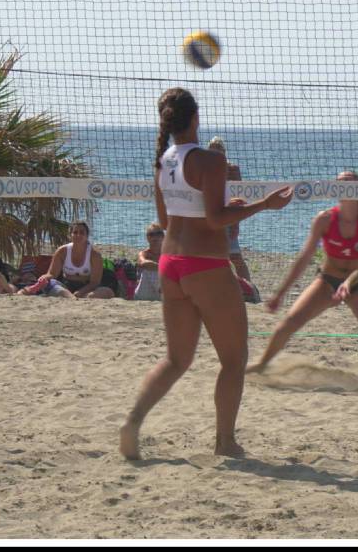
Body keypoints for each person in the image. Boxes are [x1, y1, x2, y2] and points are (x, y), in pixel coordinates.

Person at [120, 87, 293, 460]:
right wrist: (264, 205)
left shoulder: (163, 160)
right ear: (196, 119)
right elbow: (216, 220)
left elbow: (167, 220)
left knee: (177, 360)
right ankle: (225, 442)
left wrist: (218, 207)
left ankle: (132, 422)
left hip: (171, 264)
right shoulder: (211, 161)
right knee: (233, 360)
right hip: (206, 266)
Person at [246, 171, 358, 393]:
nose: (343, 184)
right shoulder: (324, 219)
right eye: (340, 182)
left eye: (349, 181)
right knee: (288, 324)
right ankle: (262, 364)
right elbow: (304, 258)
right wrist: (280, 293)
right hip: (327, 281)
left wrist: (348, 283)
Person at [207, 136, 260, 303]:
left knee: (235, 257)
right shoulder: (205, 169)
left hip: (228, 216)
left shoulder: (232, 169)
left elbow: (240, 195)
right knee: (210, 257)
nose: (216, 153)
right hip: (211, 215)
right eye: (213, 150)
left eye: (219, 150)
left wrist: (236, 222)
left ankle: (248, 289)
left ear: (224, 152)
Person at [35, 222, 117, 299]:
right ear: (70, 235)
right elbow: (52, 274)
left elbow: (94, 282)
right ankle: (71, 297)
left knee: (108, 292)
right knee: (47, 284)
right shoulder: (62, 251)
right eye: (75, 232)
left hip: (88, 287)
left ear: (87, 236)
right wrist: (44, 277)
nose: (78, 235)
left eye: (82, 233)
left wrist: (80, 292)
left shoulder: (95, 255)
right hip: (66, 286)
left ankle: (78, 298)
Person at [133, 223, 164, 300]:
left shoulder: (168, 254)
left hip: (162, 292)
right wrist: (163, 268)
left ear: (163, 236)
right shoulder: (144, 254)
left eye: (158, 234)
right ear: (147, 238)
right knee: (149, 270)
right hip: (144, 294)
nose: (155, 237)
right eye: (151, 234)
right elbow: (143, 263)